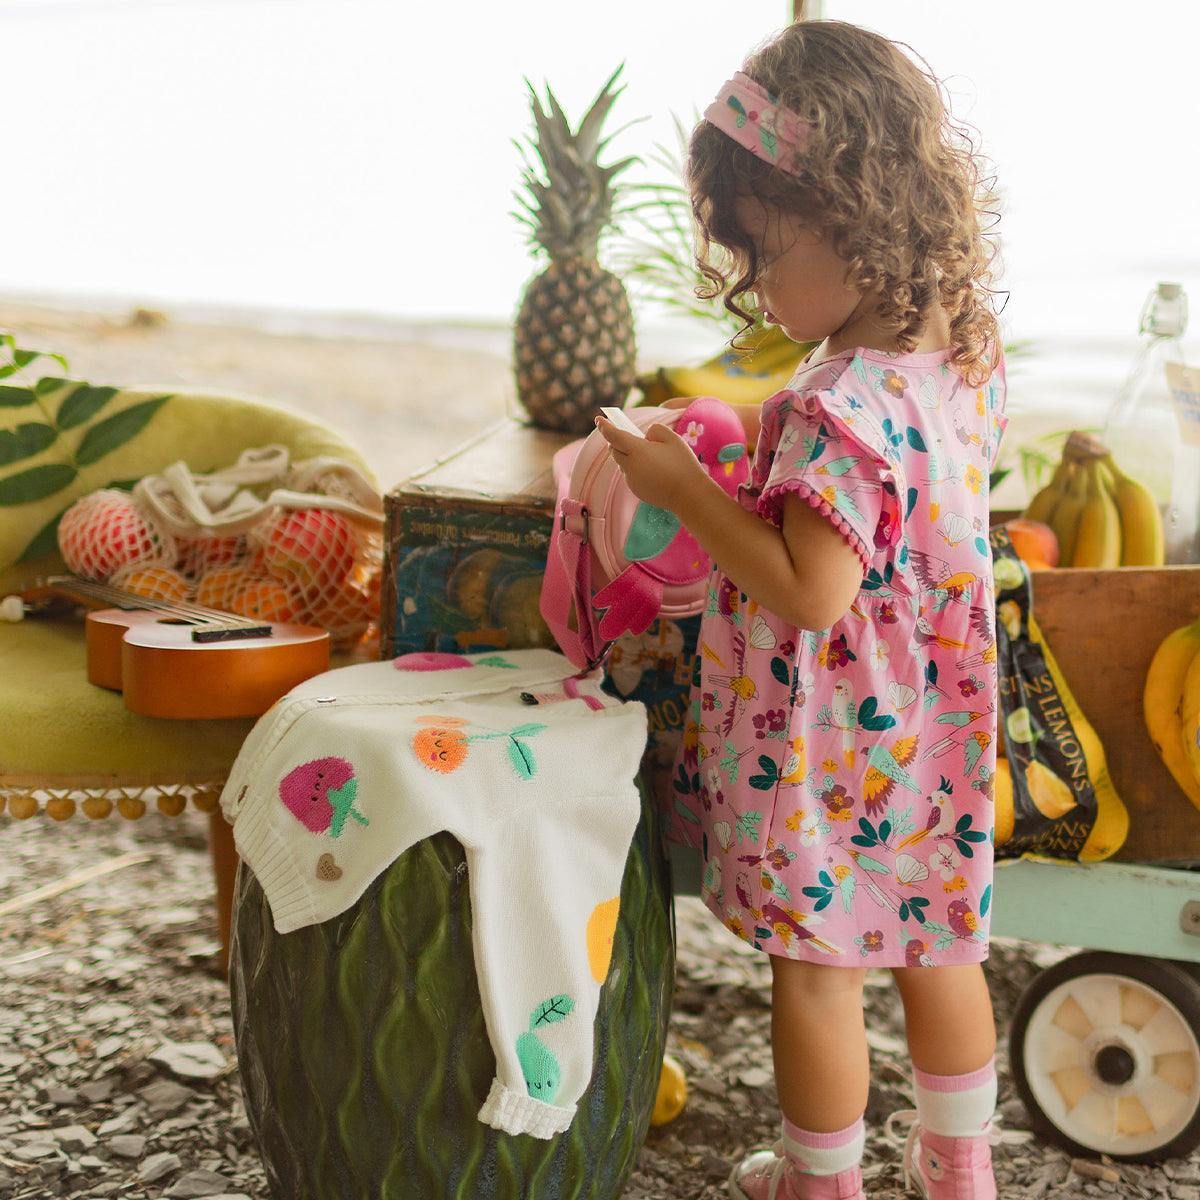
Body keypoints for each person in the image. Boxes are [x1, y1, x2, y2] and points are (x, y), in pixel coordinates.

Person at [596, 19, 1008, 1200]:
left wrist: (680, 487)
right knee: (941, 948)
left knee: (819, 971)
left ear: (853, 218)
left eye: (766, 253)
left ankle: (821, 1183)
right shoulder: (953, 361)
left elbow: (809, 589)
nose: (756, 288)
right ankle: (959, 1171)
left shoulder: (837, 404)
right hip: (931, 732)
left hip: (830, 747)